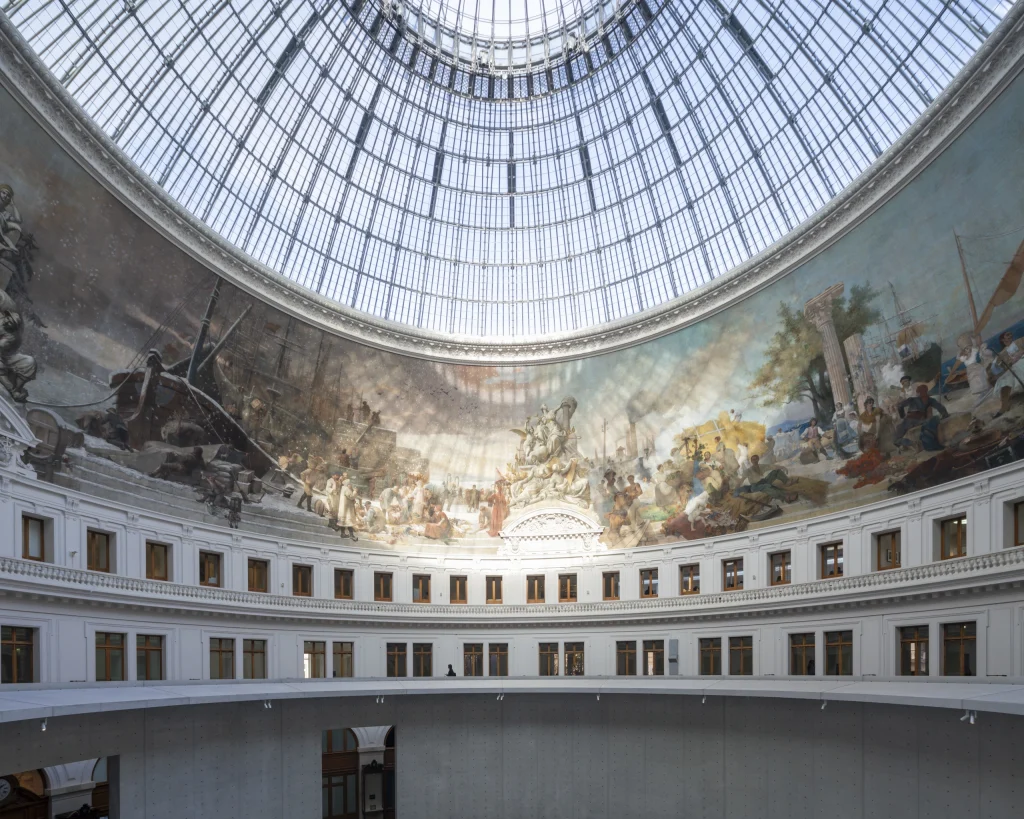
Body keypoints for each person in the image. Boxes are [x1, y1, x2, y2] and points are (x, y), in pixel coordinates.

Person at [895, 384, 949, 450]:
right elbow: (940, 407)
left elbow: (900, 406)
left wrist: (902, 416)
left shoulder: (912, 399)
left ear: (918, 392)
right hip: (920, 421)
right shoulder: (930, 400)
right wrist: (945, 415)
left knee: (896, 440)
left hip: (908, 421)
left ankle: (912, 443)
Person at [991, 329, 1024, 417]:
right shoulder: (1002, 353)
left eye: (1010, 335)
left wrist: (1021, 353)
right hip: (1014, 366)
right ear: (1002, 340)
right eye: (1007, 335)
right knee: (1004, 379)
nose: (1009, 337)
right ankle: (1004, 407)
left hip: (1022, 360)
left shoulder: (1018, 341)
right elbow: (997, 367)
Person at [0, 184, 22, 252]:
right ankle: (8, 246)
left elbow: (18, 220)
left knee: (17, 228)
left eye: (8, 195)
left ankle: (6, 247)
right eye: (3, 192)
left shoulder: (5, 214)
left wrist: (13, 205)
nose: (5, 196)